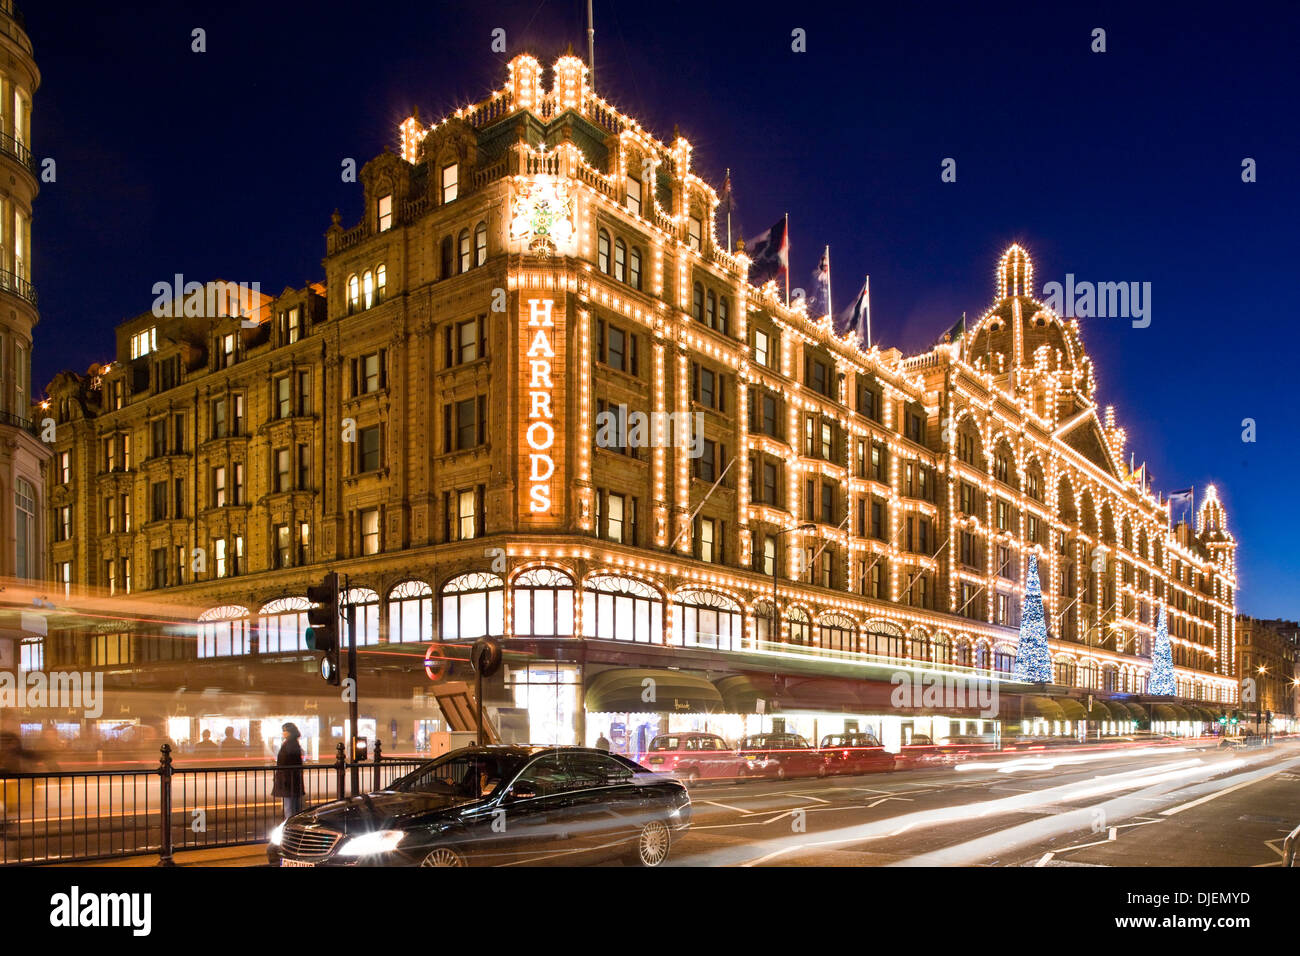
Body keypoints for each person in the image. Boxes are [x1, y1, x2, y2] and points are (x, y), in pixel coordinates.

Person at [271, 723, 305, 820]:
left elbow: (286, 762)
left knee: (289, 806)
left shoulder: (290, 744)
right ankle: (294, 823)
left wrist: (282, 778)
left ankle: (290, 825)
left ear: (290, 732)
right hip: (291, 779)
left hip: (288, 780)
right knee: (293, 805)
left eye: (285, 731)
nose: (283, 733)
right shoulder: (293, 743)